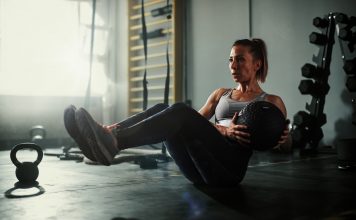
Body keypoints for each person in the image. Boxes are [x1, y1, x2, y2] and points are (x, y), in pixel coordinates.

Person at [64, 38, 289, 187]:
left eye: (240, 59)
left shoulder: (270, 102)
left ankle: (113, 142)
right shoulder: (221, 94)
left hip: (227, 171)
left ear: (257, 64)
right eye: (230, 59)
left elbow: (283, 146)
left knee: (179, 110)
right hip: (196, 168)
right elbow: (194, 124)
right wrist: (224, 130)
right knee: (168, 110)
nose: (233, 65)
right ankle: (108, 134)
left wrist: (284, 138)